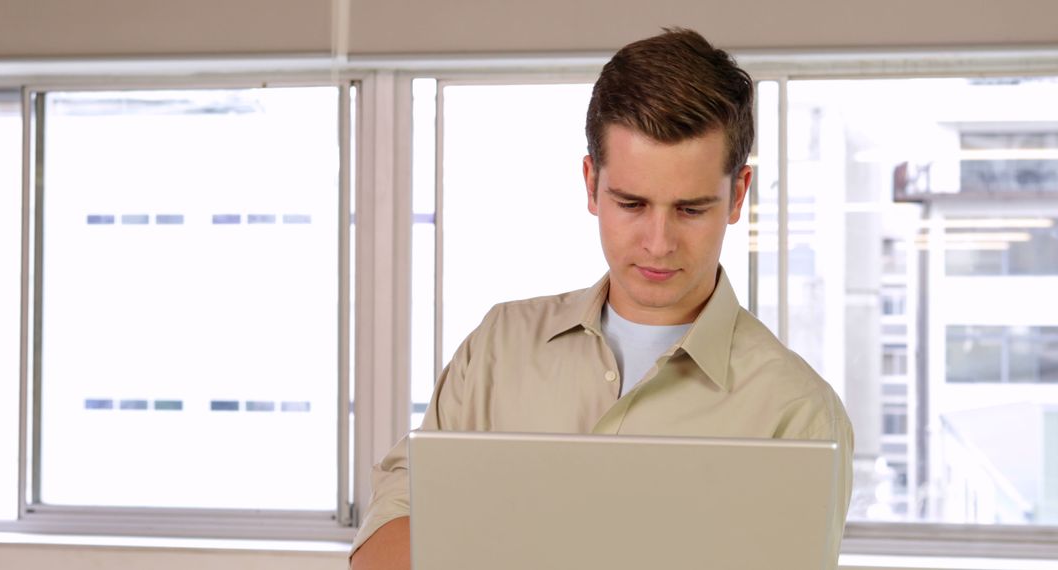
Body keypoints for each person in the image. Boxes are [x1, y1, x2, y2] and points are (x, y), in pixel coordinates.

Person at [349, 28, 854, 570]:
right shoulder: (497, 348)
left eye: (691, 209)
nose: (658, 243)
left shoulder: (797, 413)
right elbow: (395, 518)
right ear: (591, 185)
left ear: (738, 196)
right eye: (632, 203)